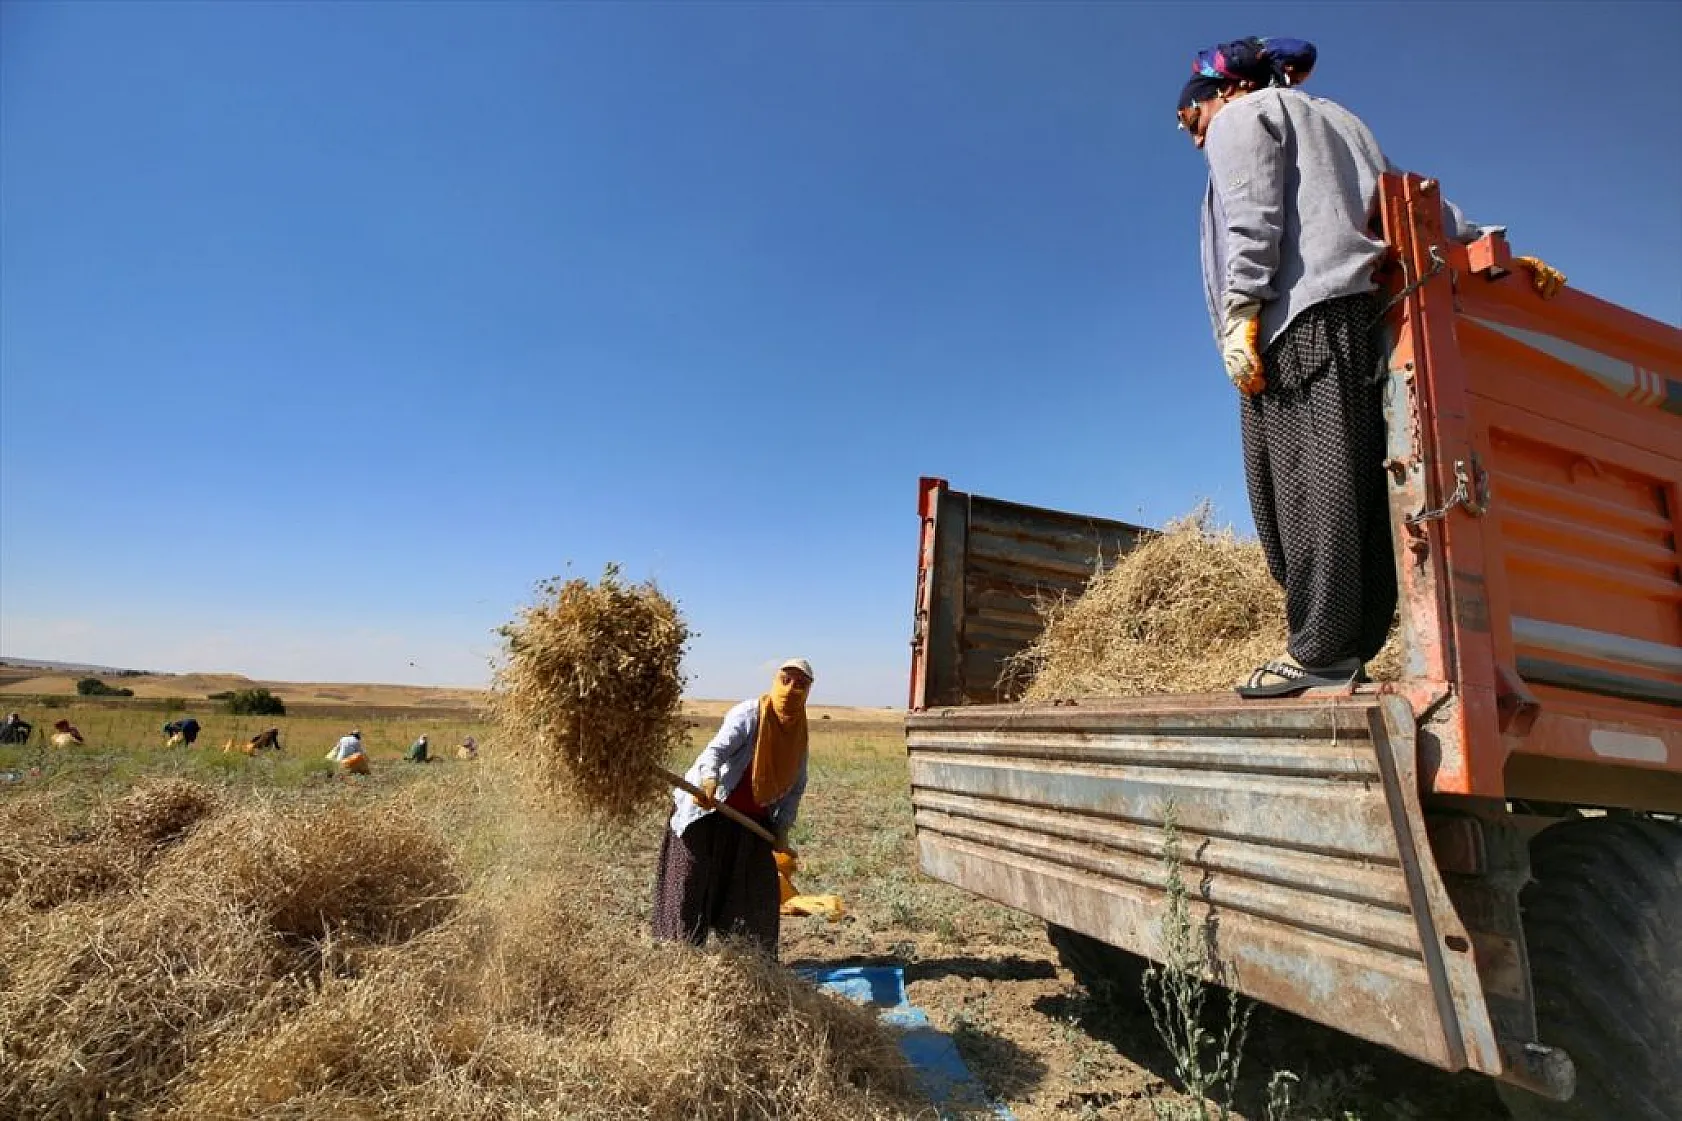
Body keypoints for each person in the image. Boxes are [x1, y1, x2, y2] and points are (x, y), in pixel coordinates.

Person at [1177, 37, 1563, 698]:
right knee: (1350, 486)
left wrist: (1242, 311)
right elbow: (1406, 197)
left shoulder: (1244, 119)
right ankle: (1348, 644)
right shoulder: (1339, 120)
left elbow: (1252, 215)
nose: (1195, 139)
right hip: (1354, 320)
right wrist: (1490, 244)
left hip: (1291, 319)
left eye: (1193, 120)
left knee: (1300, 490)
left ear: (1224, 91)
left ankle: (1321, 650)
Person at [652, 657, 814, 956]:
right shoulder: (750, 714)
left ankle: (749, 962)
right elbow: (715, 752)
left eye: (800, 685)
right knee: (691, 886)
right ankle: (679, 961)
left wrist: (782, 830)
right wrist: (709, 781)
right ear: (776, 681)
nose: (792, 689)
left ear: (807, 693)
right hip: (708, 812)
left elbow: (795, 789)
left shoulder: (799, 735)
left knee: (755, 895)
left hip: (750, 823)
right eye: (786, 680)